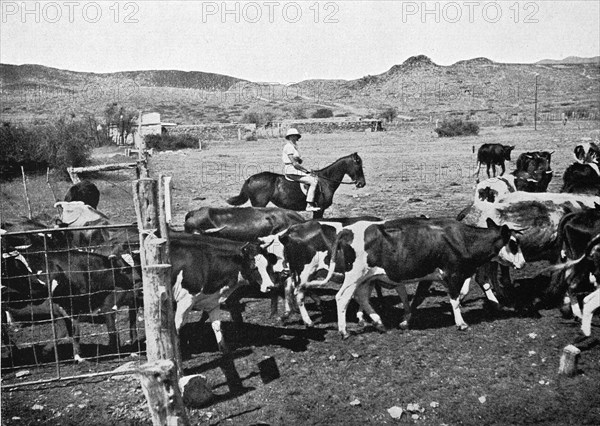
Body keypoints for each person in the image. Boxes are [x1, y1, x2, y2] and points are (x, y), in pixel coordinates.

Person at [282, 128, 320, 212]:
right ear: (289, 137)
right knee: (313, 181)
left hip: (294, 168)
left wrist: (299, 160)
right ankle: (309, 205)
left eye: (295, 136)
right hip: (291, 170)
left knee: (313, 177)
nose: (294, 137)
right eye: (292, 136)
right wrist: (306, 170)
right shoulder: (288, 147)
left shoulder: (294, 146)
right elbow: (294, 164)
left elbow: (297, 161)